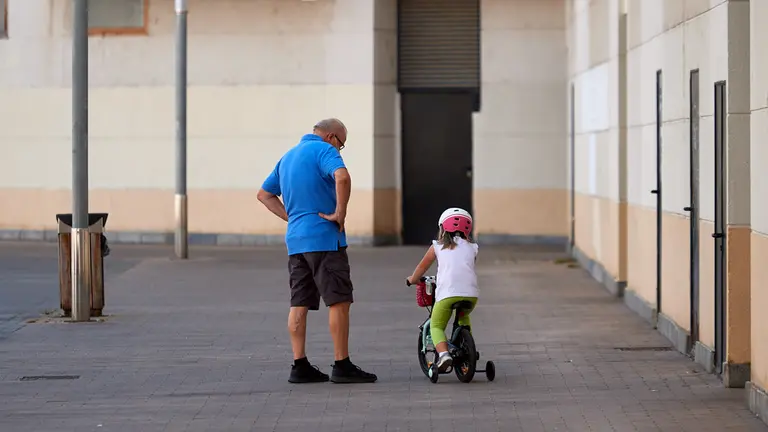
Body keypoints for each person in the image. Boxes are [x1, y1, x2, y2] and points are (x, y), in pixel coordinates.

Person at [257, 118, 377, 384]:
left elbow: (264, 194)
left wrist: (293, 218)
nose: (340, 149)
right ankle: (342, 364)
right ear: (332, 137)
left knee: (299, 302)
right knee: (338, 301)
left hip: (296, 242)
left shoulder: (287, 157)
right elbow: (342, 176)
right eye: (341, 144)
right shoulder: (325, 151)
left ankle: (299, 365)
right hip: (324, 239)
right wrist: (340, 213)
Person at [405, 207, 479, 372]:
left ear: (442, 228)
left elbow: (422, 268)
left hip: (448, 294)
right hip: (471, 295)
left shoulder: (437, 246)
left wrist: (413, 279)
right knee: (463, 317)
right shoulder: (473, 247)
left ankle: (444, 354)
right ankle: (468, 350)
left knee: (437, 325)